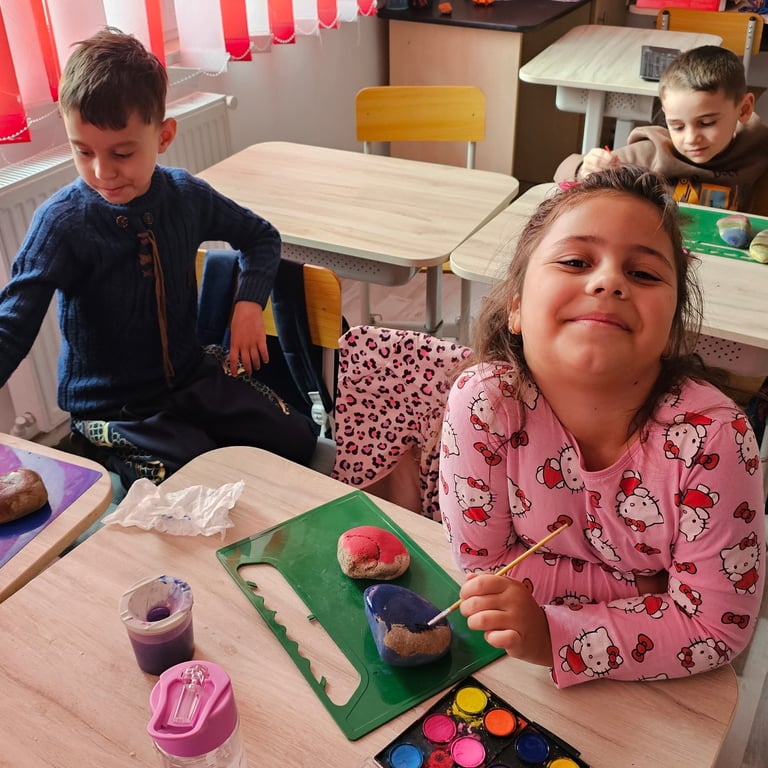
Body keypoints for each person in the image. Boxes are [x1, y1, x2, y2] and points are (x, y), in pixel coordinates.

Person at [438, 166, 765, 688]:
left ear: (672, 327)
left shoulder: (715, 439)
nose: (608, 281)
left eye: (644, 274)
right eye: (575, 261)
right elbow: (486, 567)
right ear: (516, 307)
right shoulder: (485, 404)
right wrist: (648, 592)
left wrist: (552, 635)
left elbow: (715, 627)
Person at [0, 27, 326, 489]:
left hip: (189, 377)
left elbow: (261, 237)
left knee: (299, 439)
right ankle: (100, 447)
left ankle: (189, 437)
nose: (102, 171)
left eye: (122, 152)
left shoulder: (185, 195)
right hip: (112, 410)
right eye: (83, 151)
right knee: (200, 476)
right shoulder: (60, 223)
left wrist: (249, 304)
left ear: (164, 135)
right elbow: (11, 325)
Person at [554, 46, 768, 212]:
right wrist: (584, 168)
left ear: (744, 109)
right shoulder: (651, 153)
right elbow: (562, 173)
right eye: (677, 126)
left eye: (706, 123)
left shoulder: (758, 149)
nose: (691, 138)